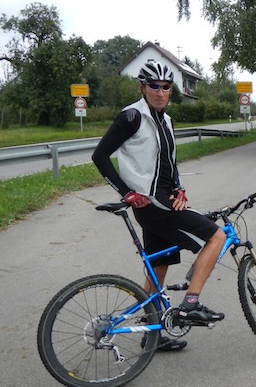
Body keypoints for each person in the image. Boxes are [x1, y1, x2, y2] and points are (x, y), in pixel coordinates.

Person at [92, 60, 227, 351]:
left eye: (166, 87)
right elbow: (100, 156)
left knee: (159, 267)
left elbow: (169, 162)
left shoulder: (166, 120)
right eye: (154, 85)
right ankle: (191, 303)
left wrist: (179, 188)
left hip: (163, 200)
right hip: (153, 204)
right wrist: (126, 192)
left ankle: (151, 335)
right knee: (218, 236)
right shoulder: (132, 117)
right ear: (142, 87)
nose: (160, 91)